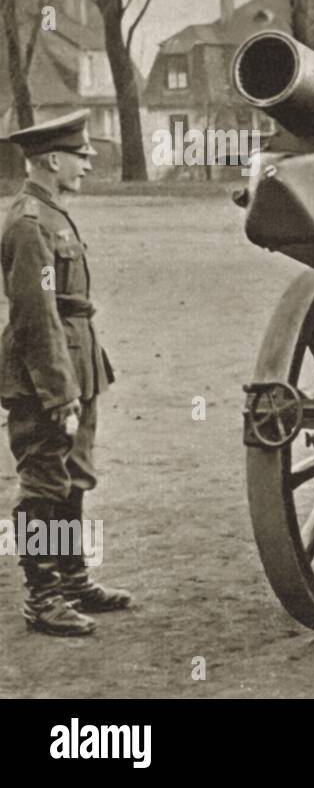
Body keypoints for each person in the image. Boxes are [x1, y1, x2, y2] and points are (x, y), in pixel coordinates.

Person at [1, 110, 130, 636]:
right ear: (52, 160)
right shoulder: (30, 223)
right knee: (42, 482)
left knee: (72, 475)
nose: (88, 164)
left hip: (76, 359)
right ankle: (42, 596)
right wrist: (58, 392)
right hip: (46, 371)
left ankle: (73, 579)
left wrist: (78, 381)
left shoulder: (52, 214)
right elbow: (35, 313)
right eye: (81, 156)